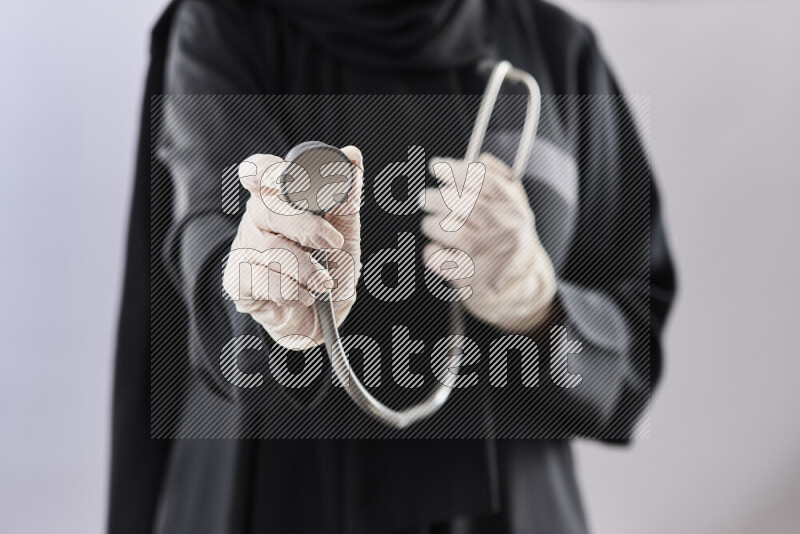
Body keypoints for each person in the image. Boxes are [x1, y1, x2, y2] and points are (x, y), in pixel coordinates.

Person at [109, 0, 676, 532]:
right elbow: (208, 248)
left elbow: (633, 356)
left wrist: (540, 306)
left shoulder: (559, 51)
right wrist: (266, 299)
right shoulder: (224, 24)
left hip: (511, 511)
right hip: (278, 501)